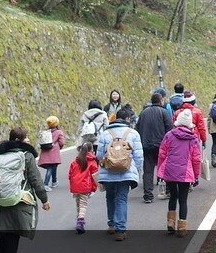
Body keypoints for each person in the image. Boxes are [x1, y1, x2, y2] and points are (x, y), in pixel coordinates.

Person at [0, 127, 51, 253]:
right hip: (19, 203)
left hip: (0, 202)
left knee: (5, 237)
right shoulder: (27, 155)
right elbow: (36, 180)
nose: (28, 139)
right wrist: (45, 200)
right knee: (12, 237)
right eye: (26, 137)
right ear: (19, 140)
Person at [97, 108, 143, 241]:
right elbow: (139, 156)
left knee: (110, 196)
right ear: (128, 119)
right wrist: (135, 170)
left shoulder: (105, 134)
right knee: (121, 198)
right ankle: (120, 229)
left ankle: (111, 224)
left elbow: (99, 155)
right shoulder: (133, 133)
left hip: (108, 171)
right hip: (126, 171)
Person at [157, 109, 201, 237]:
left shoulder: (169, 135)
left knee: (173, 196)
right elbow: (196, 159)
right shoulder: (193, 139)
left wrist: (160, 172)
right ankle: (182, 227)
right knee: (183, 200)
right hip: (185, 173)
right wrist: (196, 175)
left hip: (170, 170)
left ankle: (170, 222)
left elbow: (162, 154)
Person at [136, 92, 173, 203]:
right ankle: (167, 190)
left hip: (146, 145)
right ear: (161, 101)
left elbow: (138, 128)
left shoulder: (143, 113)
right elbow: (170, 129)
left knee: (148, 170)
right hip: (161, 145)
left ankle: (148, 195)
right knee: (165, 167)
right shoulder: (164, 112)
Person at [68, 142, 98, 234]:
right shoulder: (92, 162)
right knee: (83, 204)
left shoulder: (75, 161)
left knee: (78, 203)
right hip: (85, 186)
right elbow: (95, 176)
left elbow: (70, 175)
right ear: (91, 150)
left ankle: (78, 219)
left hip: (75, 186)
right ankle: (80, 221)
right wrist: (94, 188)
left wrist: (72, 185)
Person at [37, 116, 65, 192]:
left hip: (45, 152)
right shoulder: (59, 132)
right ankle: (45, 184)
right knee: (50, 167)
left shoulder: (46, 132)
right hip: (54, 152)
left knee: (54, 166)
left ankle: (54, 181)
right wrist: (59, 146)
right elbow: (62, 142)